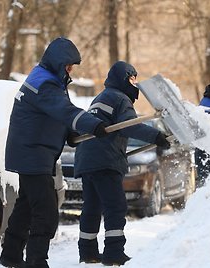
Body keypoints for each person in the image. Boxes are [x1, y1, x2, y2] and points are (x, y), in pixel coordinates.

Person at [0, 37, 108, 268]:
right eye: (69, 65)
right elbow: (64, 110)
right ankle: (37, 261)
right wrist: (92, 124)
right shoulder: (45, 84)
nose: (70, 70)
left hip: (32, 154)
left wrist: (72, 134)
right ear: (59, 62)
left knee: (27, 206)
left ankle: (10, 257)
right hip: (32, 155)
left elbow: (55, 116)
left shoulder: (49, 80)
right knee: (46, 211)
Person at [73, 61, 170, 266]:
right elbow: (130, 127)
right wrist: (156, 136)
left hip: (87, 158)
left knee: (92, 206)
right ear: (124, 78)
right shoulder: (120, 98)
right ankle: (114, 253)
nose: (135, 84)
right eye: (132, 78)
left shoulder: (101, 97)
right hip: (104, 160)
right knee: (115, 206)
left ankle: (88, 252)